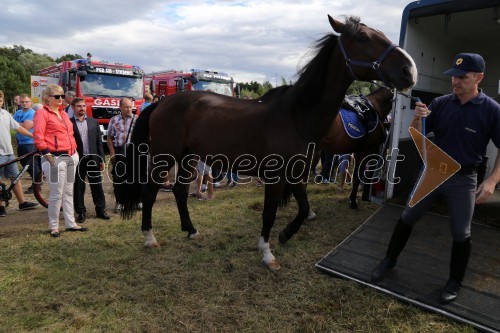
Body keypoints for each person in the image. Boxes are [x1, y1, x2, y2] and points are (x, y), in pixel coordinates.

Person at [371, 53, 500, 304]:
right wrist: (417, 119)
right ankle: (388, 260)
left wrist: (493, 181)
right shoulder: (441, 103)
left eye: (462, 77)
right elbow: (418, 137)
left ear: (479, 77)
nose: (455, 82)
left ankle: (454, 281)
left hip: (464, 179)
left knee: (461, 232)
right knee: (408, 216)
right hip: (433, 172)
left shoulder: (492, 110)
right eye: (453, 76)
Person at [33, 84, 87, 237]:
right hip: (55, 157)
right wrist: (49, 158)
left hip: (71, 156)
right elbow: (38, 137)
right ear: (47, 98)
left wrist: (75, 153)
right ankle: (54, 226)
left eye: (62, 96)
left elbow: (70, 135)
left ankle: (70, 223)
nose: (61, 99)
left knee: (69, 191)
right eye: (57, 96)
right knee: (57, 193)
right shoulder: (41, 113)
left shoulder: (63, 113)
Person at [0, 90, 38, 217]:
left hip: (9, 152)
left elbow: (19, 128)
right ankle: (0, 206)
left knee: (15, 177)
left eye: (1, 100)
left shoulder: (5, 113)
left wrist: (33, 136)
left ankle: (22, 203)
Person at [70, 98, 110, 222]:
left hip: (93, 159)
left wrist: (101, 159)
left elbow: (99, 142)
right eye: (78, 106)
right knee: (78, 187)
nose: (82, 108)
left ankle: (100, 210)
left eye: (83, 106)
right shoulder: (69, 123)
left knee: (97, 185)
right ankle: (81, 212)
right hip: (78, 160)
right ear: (73, 108)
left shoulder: (94, 122)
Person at [107, 97, 137, 212]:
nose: (129, 109)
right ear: (120, 108)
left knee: (134, 177)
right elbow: (109, 138)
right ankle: (120, 202)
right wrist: (112, 153)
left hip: (133, 151)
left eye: (130, 107)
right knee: (119, 178)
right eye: (126, 107)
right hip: (119, 150)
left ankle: (135, 201)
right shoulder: (114, 120)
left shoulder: (136, 119)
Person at [13, 94, 40, 194]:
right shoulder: (18, 112)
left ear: (31, 102)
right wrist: (20, 124)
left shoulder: (32, 113)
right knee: (24, 164)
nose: (24, 103)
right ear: (20, 102)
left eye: (27, 102)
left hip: (30, 143)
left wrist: (16, 124)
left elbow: (25, 128)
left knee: (32, 165)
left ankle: (37, 185)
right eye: (23, 102)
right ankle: (35, 183)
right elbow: (10, 124)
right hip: (21, 142)